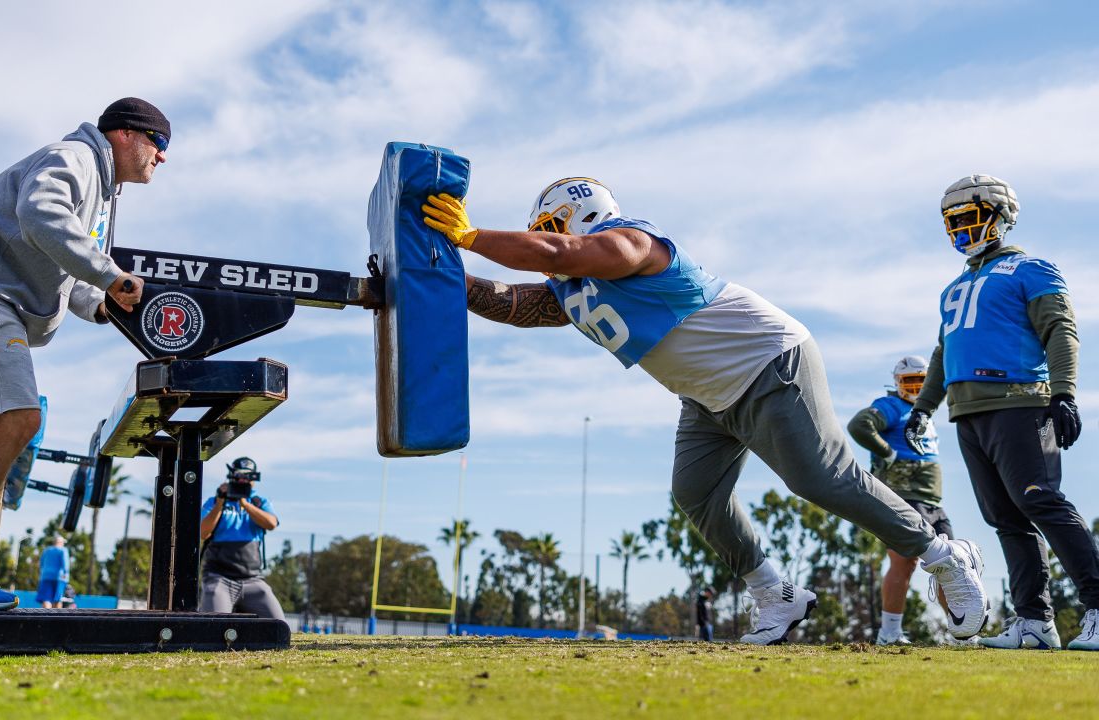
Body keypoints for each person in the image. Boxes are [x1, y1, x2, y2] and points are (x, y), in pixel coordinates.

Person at [421, 178, 989, 645]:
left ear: (581, 215)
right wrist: (441, 277)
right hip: (708, 395)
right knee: (695, 492)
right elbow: (513, 304)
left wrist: (471, 235)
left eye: (548, 225)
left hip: (768, 359)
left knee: (819, 478)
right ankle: (776, 594)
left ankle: (942, 555)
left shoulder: (631, 242)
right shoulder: (576, 286)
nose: (540, 241)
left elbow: (559, 252)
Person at [0, 98, 168, 611]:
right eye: (159, 145)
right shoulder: (74, 156)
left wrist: (101, 303)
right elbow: (39, 214)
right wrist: (111, 275)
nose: (162, 159)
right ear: (127, 135)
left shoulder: (98, 190)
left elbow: (62, 264)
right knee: (21, 420)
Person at [904, 174, 1098, 651]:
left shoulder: (1034, 269)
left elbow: (1060, 331)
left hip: (1020, 403)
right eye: (953, 221)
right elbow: (942, 352)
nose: (961, 229)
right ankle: (1034, 621)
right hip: (968, 414)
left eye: (969, 217)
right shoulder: (952, 288)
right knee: (1006, 519)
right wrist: (923, 408)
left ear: (999, 217)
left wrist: (1065, 393)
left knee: (1040, 502)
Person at [848, 356, 952, 645]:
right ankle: (890, 632)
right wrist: (888, 453)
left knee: (951, 563)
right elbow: (859, 424)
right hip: (904, 496)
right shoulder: (891, 405)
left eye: (922, 381)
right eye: (910, 382)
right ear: (897, 383)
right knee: (904, 560)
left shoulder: (923, 412)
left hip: (931, 500)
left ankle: (961, 632)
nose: (916, 388)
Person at [198, 457, 285, 619]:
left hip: (253, 579)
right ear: (231, 476)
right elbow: (203, 533)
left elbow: (271, 523)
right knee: (213, 626)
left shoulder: (259, 502)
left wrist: (245, 503)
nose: (243, 480)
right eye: (240, 475)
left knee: (279, 626)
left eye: (248, 476)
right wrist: (219, 504)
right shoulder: (214, 501)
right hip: (219, 578)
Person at [36, 535, 71, 608]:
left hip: (45, 577)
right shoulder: (63, 550)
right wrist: (65, 573)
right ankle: (57, 619)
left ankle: (45, 618)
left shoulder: (46, 550)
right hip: (59, 578)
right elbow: (65, 564)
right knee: (57, 599)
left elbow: (41, 564)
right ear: (61, 542)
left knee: (46, 599)